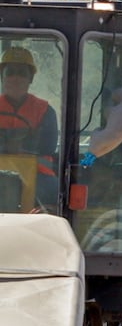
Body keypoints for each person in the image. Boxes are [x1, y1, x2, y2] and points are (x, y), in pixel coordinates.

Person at [0, 46, 59, 207]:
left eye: (22, 73)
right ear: (2, 77)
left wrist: (11, 143)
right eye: (10, 72)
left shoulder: (45, 110)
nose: (15, 78)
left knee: (55, 192)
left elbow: (48, 146)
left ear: (30, 79)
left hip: (38, 174)